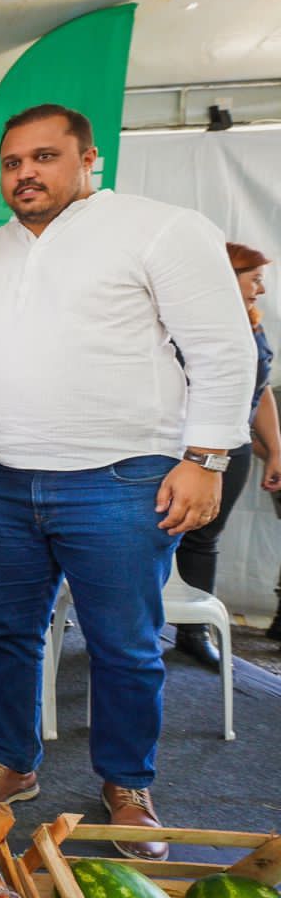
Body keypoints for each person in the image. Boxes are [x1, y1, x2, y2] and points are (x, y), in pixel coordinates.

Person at [0, 104, 254, 860]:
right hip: (1, 475)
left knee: (125, 646)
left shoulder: (161, 228)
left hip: (121, 477)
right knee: (5, 635)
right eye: (13, 163)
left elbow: (222, 348)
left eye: (44, 157)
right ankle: (12, 764)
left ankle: (126, 784)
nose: (25, 173)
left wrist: (206, 459)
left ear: (90, 161)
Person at [171, 242, 281, 666]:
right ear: (226, 275)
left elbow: (261, 388)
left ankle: (193, 633)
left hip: (232, 448)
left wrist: (274, 450)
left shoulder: (252, 324)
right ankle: (126, 629)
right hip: (181, 447)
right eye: (254, 279)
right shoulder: (186, 322)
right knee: (154, 536)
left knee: (204, 537)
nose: (262, 290)